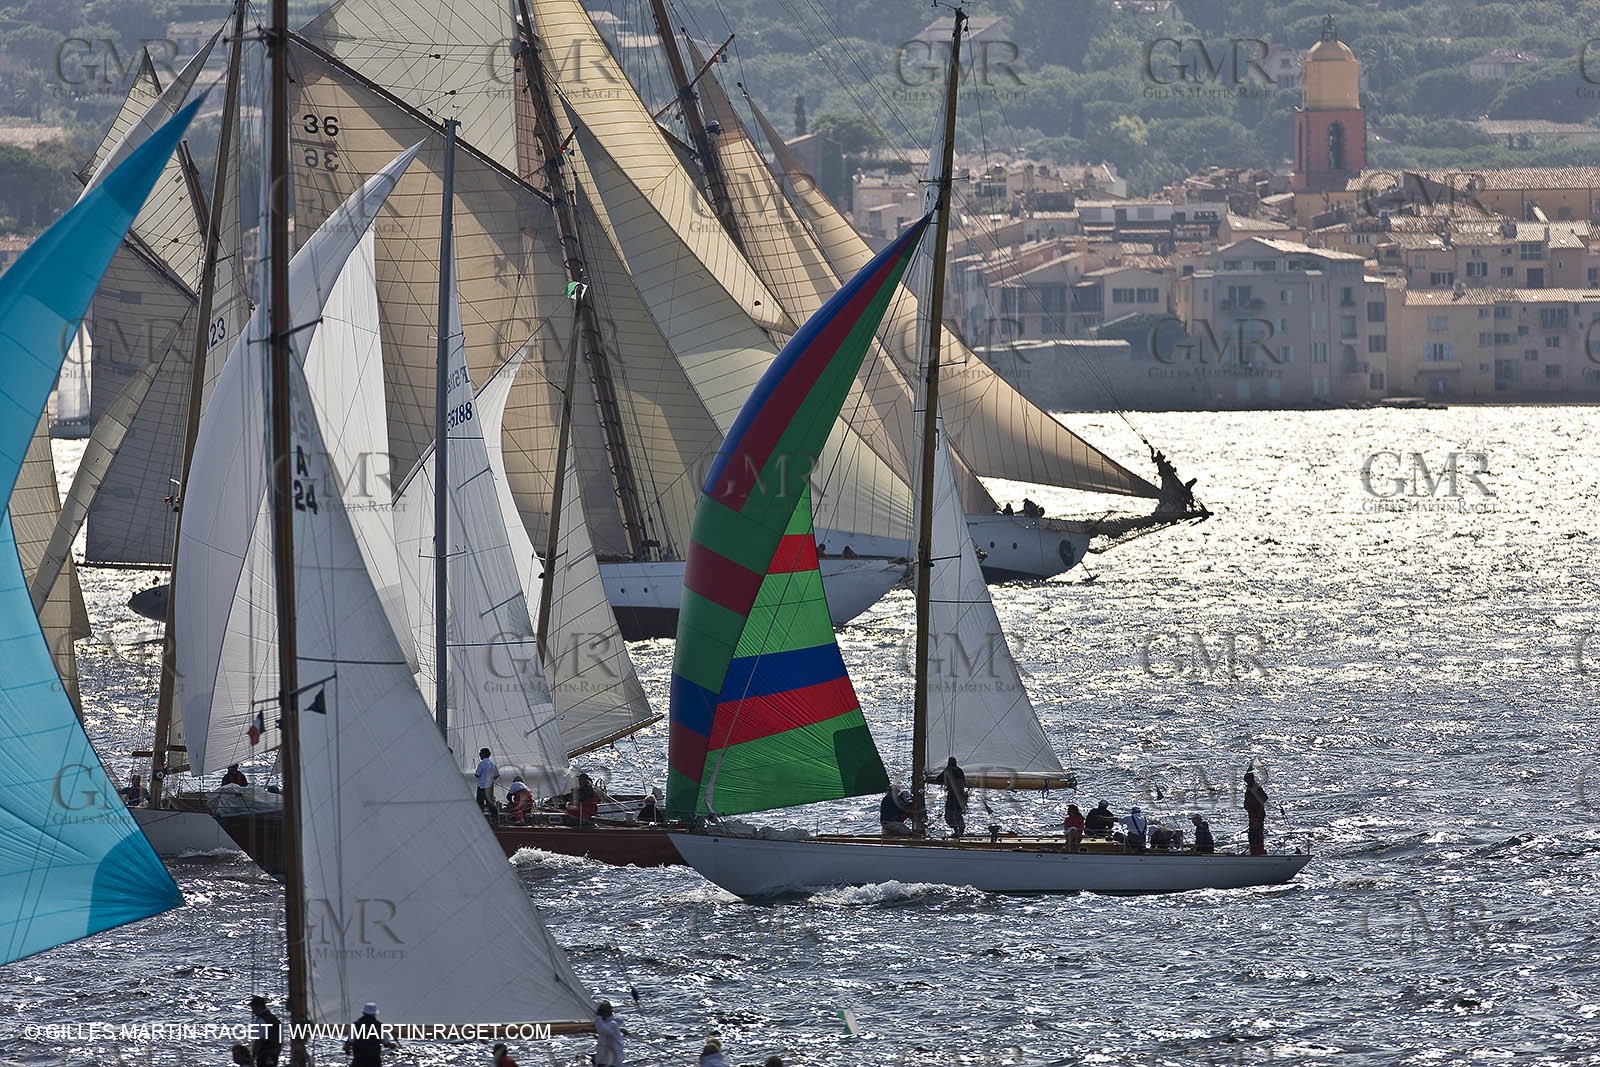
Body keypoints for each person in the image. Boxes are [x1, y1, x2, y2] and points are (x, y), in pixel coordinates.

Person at [344, 1003, 396, 1067]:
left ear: (363, 1013)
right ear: (375, 1014)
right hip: (374, 1060)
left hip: (359, 1060)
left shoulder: (356, 1025)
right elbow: (386, 1044)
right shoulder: (380, 1026)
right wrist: (393, 1046)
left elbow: (349, 1043)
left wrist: (347, 1051)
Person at [936, 757, 968, 838]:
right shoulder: (960, 770)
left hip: (952, 796)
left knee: (949, 814)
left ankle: (956, 831)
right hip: (961, 796)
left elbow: (939, 779)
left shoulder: (948, 770)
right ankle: (961, 830)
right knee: (958, 813)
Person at [249, 995, 281, 1067]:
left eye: (253, 1008)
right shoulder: (274, 1019)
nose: (253, 1012)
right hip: (273, 1055)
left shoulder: (262, 1020)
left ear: (258, 1006)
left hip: (264, 1055)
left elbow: (259, 1041)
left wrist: (253, 1058)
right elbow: (280, 1040)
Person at [1244, 771, 1269, 856]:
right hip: (1251, 815)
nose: (1245, 780)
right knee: (1252, 835)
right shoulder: (1249, 788)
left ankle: (1259, 852)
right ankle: (1254, 852)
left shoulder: (1256, 788)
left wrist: (1257, 819)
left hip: (1257, 815)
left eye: (1247, 778)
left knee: (1256, 834)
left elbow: (1262, 803)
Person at [593, 1000, 624, 1067]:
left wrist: (598, 1018)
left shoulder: (612, 1024)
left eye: (601, 1012)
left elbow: (602, 1030)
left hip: (610, 1061)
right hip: (604, 1060)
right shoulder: (606, 1023)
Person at [474, 748, 499, 813]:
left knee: (480, 803)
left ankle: (480, 817)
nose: (479, 755)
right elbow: (497, 775)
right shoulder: (492, 764)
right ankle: (495, 816)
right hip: (490, 786)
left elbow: (477, 774)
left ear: (484, 754)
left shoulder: (481, 764)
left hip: (482, 786)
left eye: (480, 753)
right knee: (490, 803)